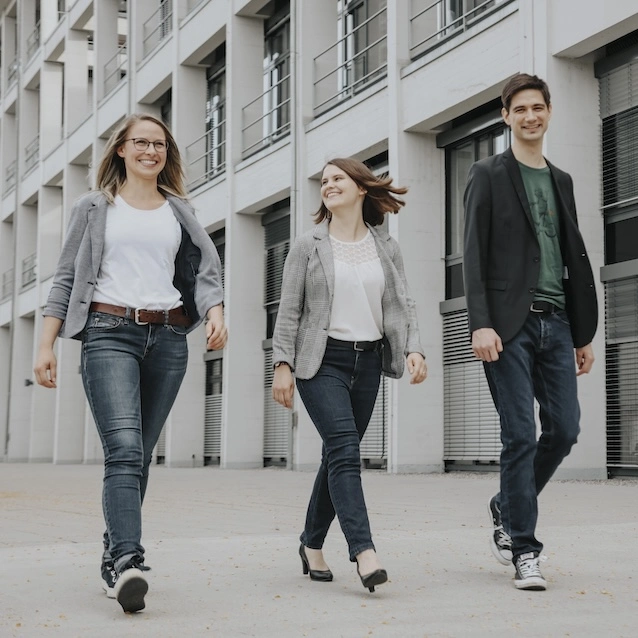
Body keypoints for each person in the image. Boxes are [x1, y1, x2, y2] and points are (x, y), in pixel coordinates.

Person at [33, 114, 227, 613]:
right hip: (107, 333)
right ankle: (127, 559)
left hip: (167, 339)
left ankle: (112, 552)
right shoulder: (94, 207)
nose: (150, 151)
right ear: (120, 149)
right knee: (122, 449)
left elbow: (206, 268)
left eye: (159, 144)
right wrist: (46, 345)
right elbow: (64, 278)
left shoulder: (179, 211)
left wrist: (216, 310)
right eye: (140, 142)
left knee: (139, 456)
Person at [463, 74, 598, 590]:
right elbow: (472, 254)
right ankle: (525, 549)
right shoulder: (487, 173)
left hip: (558, 320)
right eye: (520, 109)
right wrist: (480, 322)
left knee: (564, 430)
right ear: (506, 116)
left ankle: (505, 504)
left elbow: (571, 254)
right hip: (507, 325)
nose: (530, 117)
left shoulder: (561, 179)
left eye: (538, 108)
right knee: (519, 434)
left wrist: (583, 332)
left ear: (549, 111)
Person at [271, 158, 427, 593]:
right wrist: (282, 364)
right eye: (324, 181)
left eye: (338, 178)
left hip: (369, 362)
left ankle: (311, 543)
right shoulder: (308, 245)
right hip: (321, 362)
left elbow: (402, 303)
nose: (329, 185)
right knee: (344, 450)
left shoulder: (385, 246)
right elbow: (290, 310)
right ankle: (365, 552)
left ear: (361, 188)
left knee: (335, 457)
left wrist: (413, 348)